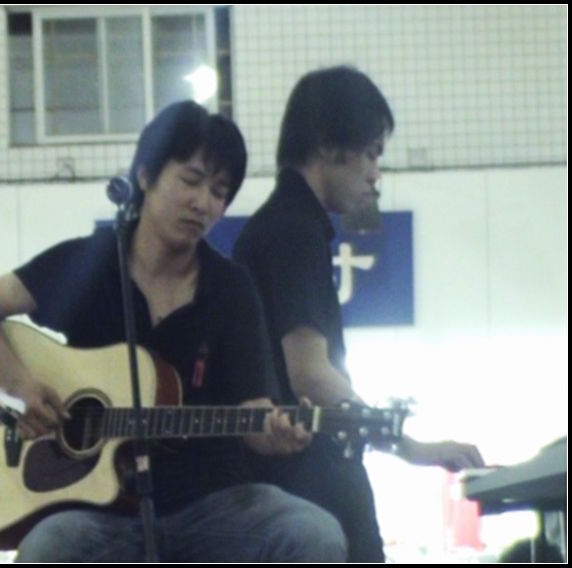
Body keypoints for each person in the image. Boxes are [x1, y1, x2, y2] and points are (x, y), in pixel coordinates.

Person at [0, 100, 347, 562]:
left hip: (211, 506)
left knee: (313, 534)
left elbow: (253, 409)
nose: (203, 203)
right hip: (98, 514)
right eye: (191, 180)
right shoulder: (89, 264)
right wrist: (23, 385)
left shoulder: (232, 289)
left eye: (219, 192)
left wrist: (275, 433)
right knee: (47, 548)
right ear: (144, 175)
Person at [233, 66, 485, 562]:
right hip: (310, 478)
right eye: (370, 153)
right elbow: (311, 374)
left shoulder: (280, 226)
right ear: (329, 145)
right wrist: (410, 446)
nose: (375, 173)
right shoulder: (292, 231)